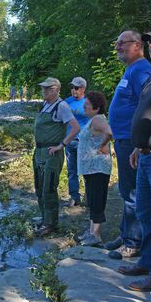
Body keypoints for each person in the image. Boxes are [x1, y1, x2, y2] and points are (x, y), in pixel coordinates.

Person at [105, 30, 151, 259]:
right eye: (116, 43)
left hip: (133, 142)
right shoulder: (131, 70)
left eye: (122, 43)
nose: (117, 47)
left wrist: (138, 142)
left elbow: (146, 107)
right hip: (124, 140)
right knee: (126, 190)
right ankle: (126, 234)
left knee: (133, 192)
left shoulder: (142, 70)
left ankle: (133, 242)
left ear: (136, 45)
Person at [117, 28, 151, 292]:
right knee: (144, 212)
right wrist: (138, 146)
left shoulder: (144, 70)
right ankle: (147, 261)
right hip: (144, 153)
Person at [33, 77, 80, 236]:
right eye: (43, 88)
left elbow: (75, 128)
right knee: (39, 188)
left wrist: (62, 145)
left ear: (56, 90)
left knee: (49, 188)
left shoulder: (62, 106)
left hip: (52, 154)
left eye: (47, 88)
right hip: (39, 152)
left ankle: (51, 224)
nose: (44, 91)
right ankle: (44, 218)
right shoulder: (45, 105)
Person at [77, 91, 112, 246]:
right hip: (90, 168)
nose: (84, 106)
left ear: (96, 108)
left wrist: (103, 145)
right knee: (92, 200)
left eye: (87, 104)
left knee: (97, 200)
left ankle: (96, 235)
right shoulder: (92, 120)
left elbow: (109, 132)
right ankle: (91, 232)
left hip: (98, 167)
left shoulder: (97, 119)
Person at [64, 77, 89, 207]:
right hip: (69, 141)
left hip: (84, 142)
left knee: (86, 169)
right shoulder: (67, 102)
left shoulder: (88, 102)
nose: (73, 90)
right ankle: (74, 196)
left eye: (76, 88)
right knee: (71, 170)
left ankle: (89, 196)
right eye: (72, 87)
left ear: (83, 89)